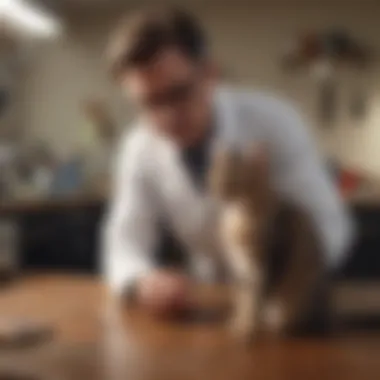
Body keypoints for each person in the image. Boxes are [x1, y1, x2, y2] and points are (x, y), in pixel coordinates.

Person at [102, 6, 353, 317]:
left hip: (285, 301)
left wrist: (284, 280)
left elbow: (329, 226)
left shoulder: (274, 121)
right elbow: (124, 243)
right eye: (148, 103)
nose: (166, 116)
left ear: (209, 74)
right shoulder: (138, 147)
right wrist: (142, 281)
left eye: (179, 93)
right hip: (207, 302)